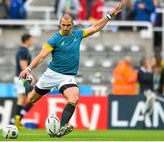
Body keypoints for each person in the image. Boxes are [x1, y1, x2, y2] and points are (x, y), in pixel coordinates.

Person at [19, 3, 122, 137]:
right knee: (31, 99)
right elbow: (41, 56)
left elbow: (95, 27)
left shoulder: (78, 35)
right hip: (52, 74)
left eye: (68, 25)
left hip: (68, 77)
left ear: (72, 24)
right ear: (60, 24)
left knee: (74, 97)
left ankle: (61, 127)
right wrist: (28, 68)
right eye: (63, 25)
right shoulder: (54, 39)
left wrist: (109, 16)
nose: (66, 27)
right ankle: (27, 82)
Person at [14, 33, 34, 129]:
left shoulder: (21, 50)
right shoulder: (24, 51)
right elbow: (23, 65)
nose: (32, 41)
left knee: (21, 100)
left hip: (18, 77)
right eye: (31, 40)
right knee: (32, 98)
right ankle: (19, 117)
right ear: (27, 41)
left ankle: (17, 121)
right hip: (22, 78)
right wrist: (29, 77)